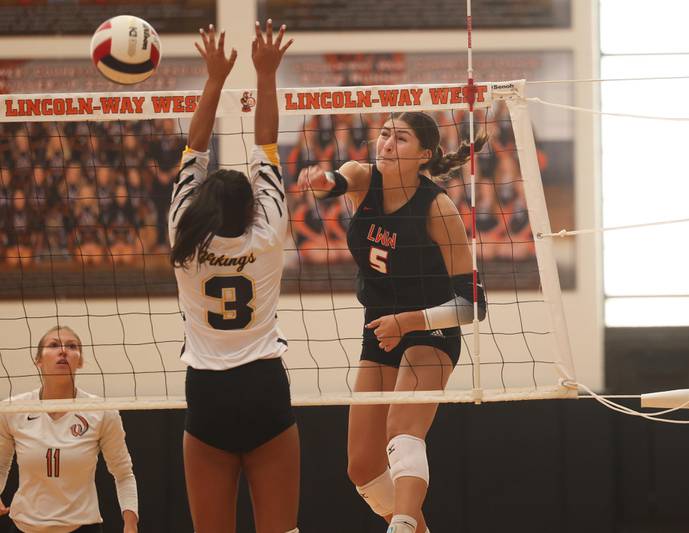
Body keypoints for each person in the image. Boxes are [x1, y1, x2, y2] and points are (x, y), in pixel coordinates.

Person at [300, 112, 488, 533]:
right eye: (384, 134)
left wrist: (408, 322)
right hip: (381, 327)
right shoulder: (363, 180)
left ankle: (401, 525)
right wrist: (324, 181)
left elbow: (473, 304)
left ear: (423, 154)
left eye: (400, 138)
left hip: (431, 326)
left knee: (401, 430)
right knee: (362, 467)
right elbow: (340, 177)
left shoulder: (438, 208)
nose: (386, 143)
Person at [168, 21, 298, 533]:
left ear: (200, 206)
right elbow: (265, 140)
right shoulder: (266, 236)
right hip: (264, 385)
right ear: (252, 209)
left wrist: (214, 79)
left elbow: (193, 149)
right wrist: (265, 74)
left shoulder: (184, 239)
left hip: (208, 394)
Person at [0, 326, 138, 533]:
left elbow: (123, 473)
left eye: (72, 346)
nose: (63, 351)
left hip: (82, 527)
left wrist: (130, 524)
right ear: (38, 360)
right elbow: (1, 466)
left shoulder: (101, 411)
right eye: (54, 345)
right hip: (23, 527)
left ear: (80, 361)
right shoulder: (12, 409)